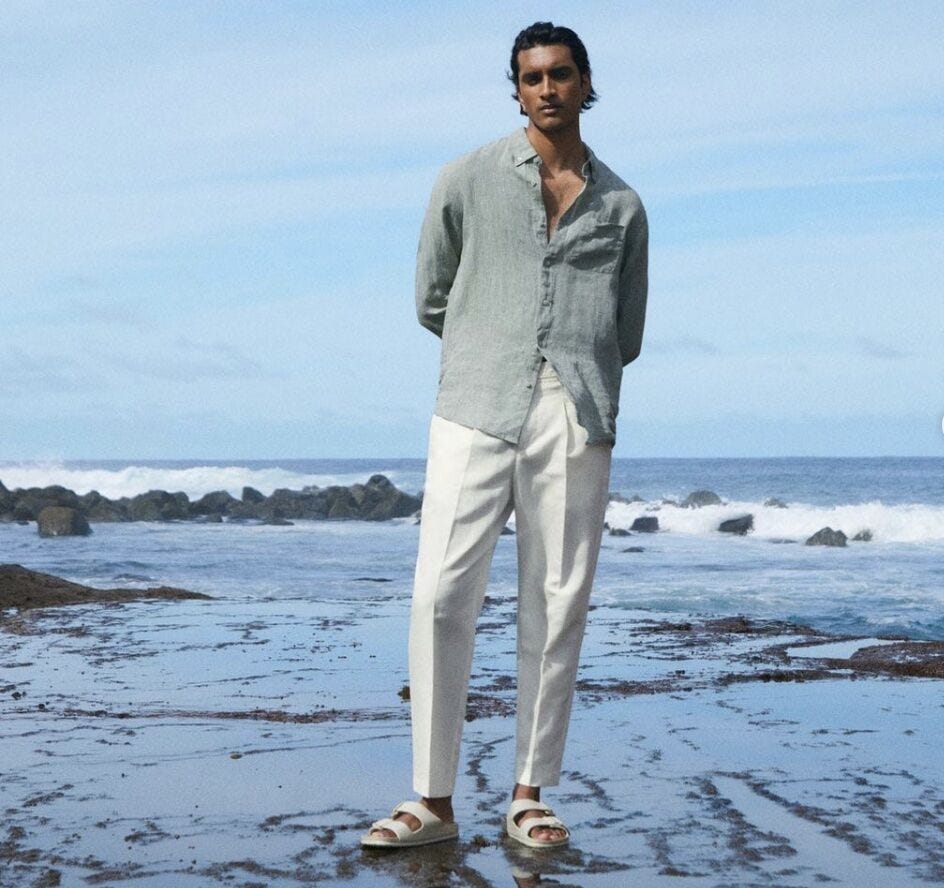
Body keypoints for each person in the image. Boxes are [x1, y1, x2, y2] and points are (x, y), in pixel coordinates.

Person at [362, 20, 648, 850]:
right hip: (476, 403)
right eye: (532, 77)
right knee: (440, 596)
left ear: (586, 83)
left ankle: (529, 793)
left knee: (557, 603)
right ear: (516, 88)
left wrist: (569, 373)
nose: (548, 88)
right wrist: (491, 344)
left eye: (562, 74)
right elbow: (431, 294)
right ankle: (431, 802)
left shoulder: (623, 206)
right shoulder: (467, 178)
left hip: (578, 410)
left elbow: (624, 330)